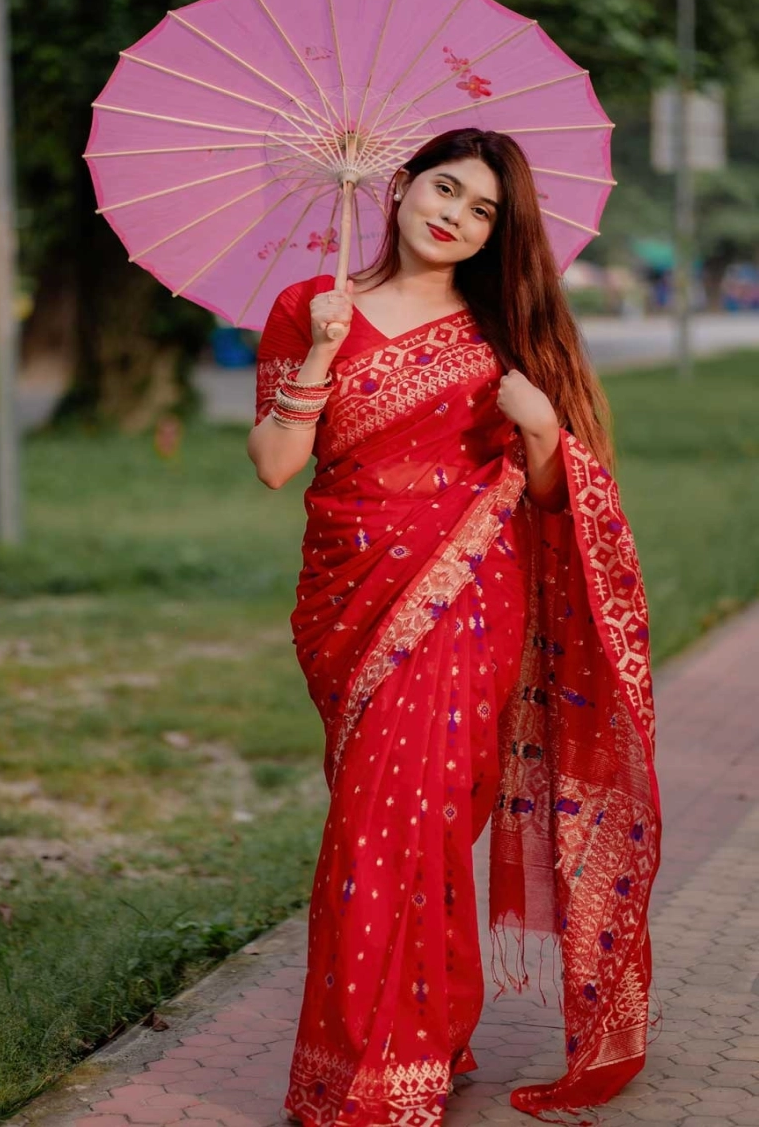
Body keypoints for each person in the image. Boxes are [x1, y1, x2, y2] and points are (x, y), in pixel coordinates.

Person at [246, 128, 661, 1127]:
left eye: (483, 212)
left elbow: (564, 493)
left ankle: (387, 1065)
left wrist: (536, 428)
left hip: (469, 598)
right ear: (396, 187)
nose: (457, 218)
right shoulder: (310, 305)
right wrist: (318, 355)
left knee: (413, 823)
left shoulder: (502, 327)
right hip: (346, 599)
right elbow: (271, 463)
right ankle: (413, 1033)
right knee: (382, 822)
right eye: (445, 190)